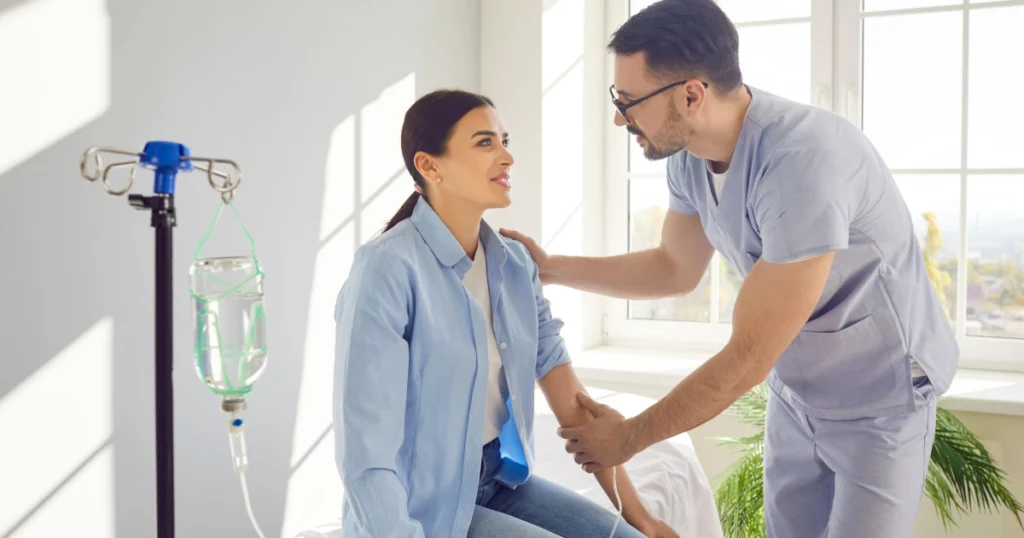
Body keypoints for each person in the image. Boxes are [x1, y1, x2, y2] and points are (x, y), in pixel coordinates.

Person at [499, 1, 960, 537]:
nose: (619, 117)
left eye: (629, 101)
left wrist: (627, 439)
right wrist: (551, 269)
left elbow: (747, 357)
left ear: (691, 95)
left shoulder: (801, 162)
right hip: (798, 392)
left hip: (877, 397)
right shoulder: (687, 154)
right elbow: (674, 268)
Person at [332, 89, 676, 538]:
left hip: (499, 479)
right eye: (484, 143)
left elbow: (571, 399)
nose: (507, 156)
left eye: (504, 140)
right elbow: (365, 451)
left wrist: (639, 516)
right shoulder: (386, 268)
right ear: (429, 165)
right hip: (420, 502)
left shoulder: (515, 264)